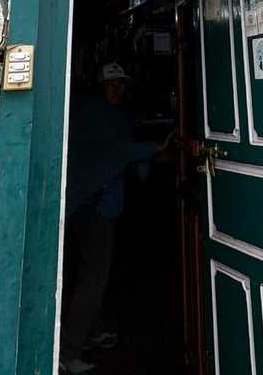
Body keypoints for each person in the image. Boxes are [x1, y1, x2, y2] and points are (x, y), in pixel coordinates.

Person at [59, 62, 162, 374]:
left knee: (90, 271)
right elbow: (118, 152)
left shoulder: (105, 114)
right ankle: (68, 352)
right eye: (111, 84)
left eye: (120, 84)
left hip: (87, 203)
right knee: (93, 276)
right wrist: (157, 147)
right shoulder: (95, 114)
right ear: (99, 86)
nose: (117, 89)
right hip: (92, 205)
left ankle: (94, 330)